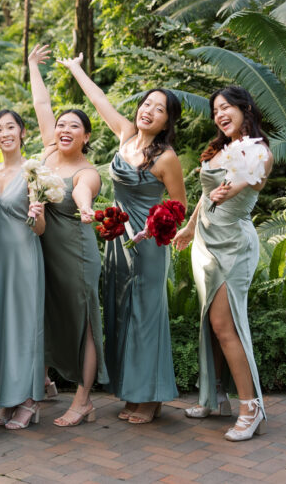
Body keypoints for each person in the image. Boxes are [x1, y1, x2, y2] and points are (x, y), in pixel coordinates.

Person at [58, 54, 185, 424]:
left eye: (159, 109)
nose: (149, 111)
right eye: (147, 104)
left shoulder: (167, 157)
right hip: (117, 240)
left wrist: (156, 229)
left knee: (146, 316)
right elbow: (99, 101)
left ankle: (150, 397)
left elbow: (178, 207)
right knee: (121, 314)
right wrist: (76, 68)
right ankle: (134, 392)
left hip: (147, 243)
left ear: (166, 121)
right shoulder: (126, 135)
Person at [172, 86, 272, 442]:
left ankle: (251, 406)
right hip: (205, 243)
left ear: (246, 108)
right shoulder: (219, 149)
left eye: (226, 107)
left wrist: (232, 187)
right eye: (216, 110)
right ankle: (214, 396)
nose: (220, 114)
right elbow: (204, 194)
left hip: (233, 245)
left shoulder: (258, 150)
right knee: (211, 323)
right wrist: (188, 226)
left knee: (224, 324)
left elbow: (253, 178)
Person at [27, 45, 107, 427]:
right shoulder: (45, 154)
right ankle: (42, 383)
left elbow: (80, 192)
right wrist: (33, 67)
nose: (63, 129)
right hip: (42, 251)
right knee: (46, 313)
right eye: (61, 124)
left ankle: (84, 399)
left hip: (76, 256)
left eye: (74, 126)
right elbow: (42, 105)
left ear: (86, 136)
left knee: (84, 321)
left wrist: (87, 207)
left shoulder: (86, 171)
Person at [0, 110, 47, 430]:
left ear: (23, 132)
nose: (5, 133)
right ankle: (6, 397)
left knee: (24, 325)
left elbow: (40, 229)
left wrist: (37, 214)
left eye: (11, 127)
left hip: (23, 255)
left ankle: (29, 399)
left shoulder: (33, 171)